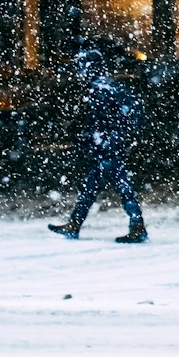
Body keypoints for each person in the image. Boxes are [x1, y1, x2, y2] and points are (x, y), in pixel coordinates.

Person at [48, 49, 148, 244]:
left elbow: (100, 122)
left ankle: (137, 226)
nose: (79, 72)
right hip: (106, 146)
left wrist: (102, 140)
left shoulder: (100, 89)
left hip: (106, 148)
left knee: (119, 187)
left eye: (81, 67)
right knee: (93, 187)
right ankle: (75, 224)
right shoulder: (107, 86)